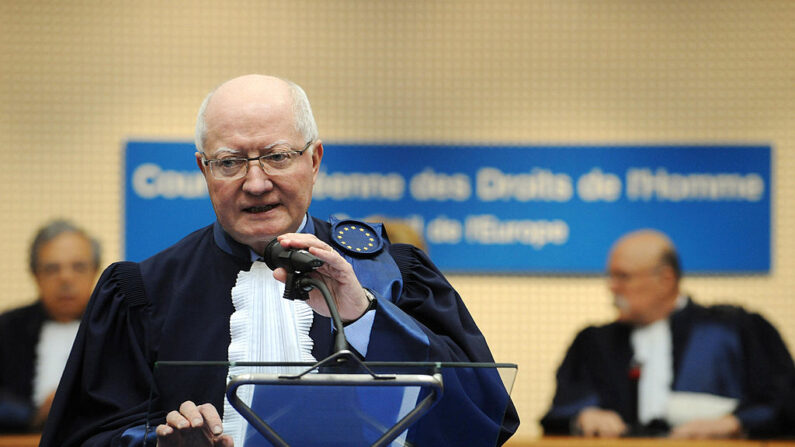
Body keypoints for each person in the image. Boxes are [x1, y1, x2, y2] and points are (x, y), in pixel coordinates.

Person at [40, 74, 518, 447]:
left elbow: (484, 424)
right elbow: (82, 438)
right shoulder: (142, 292)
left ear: (314, 159)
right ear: (203, 170)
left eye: (277, 156)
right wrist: (161, 445)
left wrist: (368, 316)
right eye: (230, 162)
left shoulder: (394, 273)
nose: (255, 182)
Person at [540, 229, 795, 439]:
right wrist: (584, 415)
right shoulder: (593, 343)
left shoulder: (737, 329)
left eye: (623, 276)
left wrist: (733, 423)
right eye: (611, 276)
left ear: (666, 278)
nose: (612, 286)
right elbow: (562, 407)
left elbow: (783, 402)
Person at [0, 220, 101, 432]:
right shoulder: (7, 328)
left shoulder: (120, 328)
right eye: (52, 269)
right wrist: (34, 413)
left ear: (95, 272)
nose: (65, 278)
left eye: (78, 267)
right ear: (36, 275)